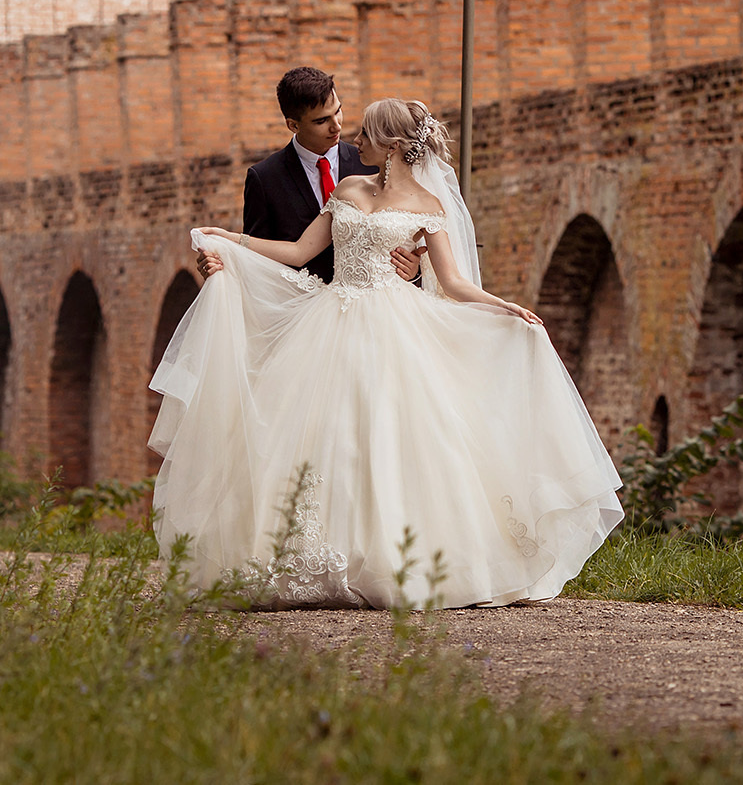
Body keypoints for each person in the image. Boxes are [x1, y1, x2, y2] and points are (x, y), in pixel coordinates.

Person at [150, 97, 623, 608]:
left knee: (395, 435)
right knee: (322, 434)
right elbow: (297, 253)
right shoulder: (350, 188)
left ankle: (399, 560)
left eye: (367, 135)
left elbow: (454, 282)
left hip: (397, 326)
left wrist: (504, 307)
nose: (356, 142)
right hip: (330, 321)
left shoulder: (429, 206)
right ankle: (315, 555)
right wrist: (231, 240)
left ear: (393, 146)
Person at [195, 66, 419, 286]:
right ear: (293, 125)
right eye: (321, 121)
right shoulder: (264, 179)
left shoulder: (373, 164)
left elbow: (409, 236)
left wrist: (415, 269)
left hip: (372, 308)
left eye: (337, 111)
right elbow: (255, 262)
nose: (336, 126)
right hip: (298, 309)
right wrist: (221, 260)